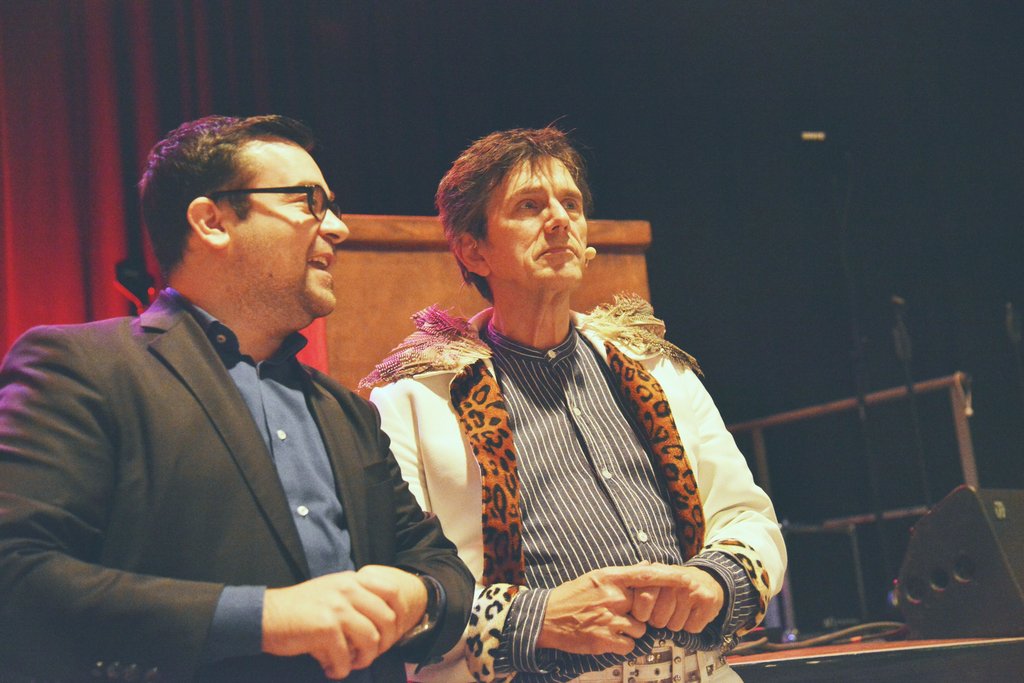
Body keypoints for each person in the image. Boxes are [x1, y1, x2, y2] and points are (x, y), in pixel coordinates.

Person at [0, 115, 473, 683]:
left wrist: (418, 595)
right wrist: (263, 617)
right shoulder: (84, 368)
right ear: (212, 221)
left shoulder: (346, 410)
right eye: (309, 201)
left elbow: (438, 563)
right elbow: (17, 575)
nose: (338, 228)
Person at [362, 127, 786, 682]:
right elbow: (401, 583)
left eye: (571, 203)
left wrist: (715, 580)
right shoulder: (416, 398)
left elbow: (746, 515)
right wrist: (536, 619)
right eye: (529, 206)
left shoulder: (655, 366)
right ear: (473, 250)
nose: (559, 219)